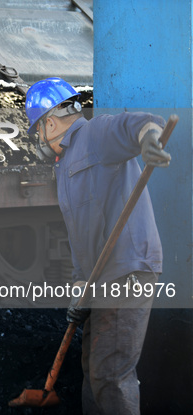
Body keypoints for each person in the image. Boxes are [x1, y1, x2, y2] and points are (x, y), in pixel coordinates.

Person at [24, 77, 171, 415]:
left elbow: (135, 124)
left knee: (110, 374)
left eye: (38, 131)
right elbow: (82, 234)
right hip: (100, 278)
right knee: (93, 367)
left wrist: (149, 139)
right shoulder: (64, 168)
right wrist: (80, 284)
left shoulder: (94, 135)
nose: (41, 140)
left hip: (127, 271)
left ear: (49, 122)